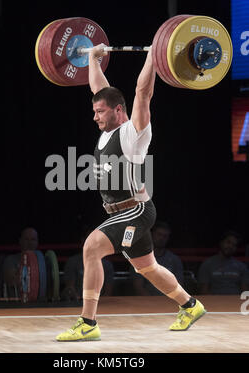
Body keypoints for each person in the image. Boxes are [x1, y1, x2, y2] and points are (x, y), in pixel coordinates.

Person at [56, 44, 206, 342]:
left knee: (91, 248)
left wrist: (155, 54)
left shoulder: (134, 133)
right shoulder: (107, 129)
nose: (95, 116)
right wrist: (92, 59)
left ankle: (88, 322)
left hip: (134, 211)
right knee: (147, 268)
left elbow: (142, 92)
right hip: (122, 212)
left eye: (100, 112)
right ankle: (190, 305)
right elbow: (101, 89)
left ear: (118, 111)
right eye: (94, 111)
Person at [130, 221, 184, 295]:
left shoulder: (174, 260)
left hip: (169, 301)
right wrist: (153, 302)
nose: (161, 238)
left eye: (165, 236)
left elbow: (179, 286)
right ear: (151, 235)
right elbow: (138, 287)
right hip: (146, 302)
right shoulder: (139, 259)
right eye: (159, 234)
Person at [198, 230, 249, 295]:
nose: (230, 246)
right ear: (221, 243)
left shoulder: (241, 266)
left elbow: (245, 291)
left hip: (236, 302)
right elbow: (203, 290)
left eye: (234, 245)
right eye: (228, 242)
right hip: (213, 302)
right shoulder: (207, 264)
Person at [2, 227, 39, 297]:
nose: (30, 243)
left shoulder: (42, 263)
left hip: (38, 303)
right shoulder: (10, 260)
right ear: (20, 241)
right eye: (26, 239)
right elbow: (12, 282)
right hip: (16, 303)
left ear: (37, 242)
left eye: (33, 240)